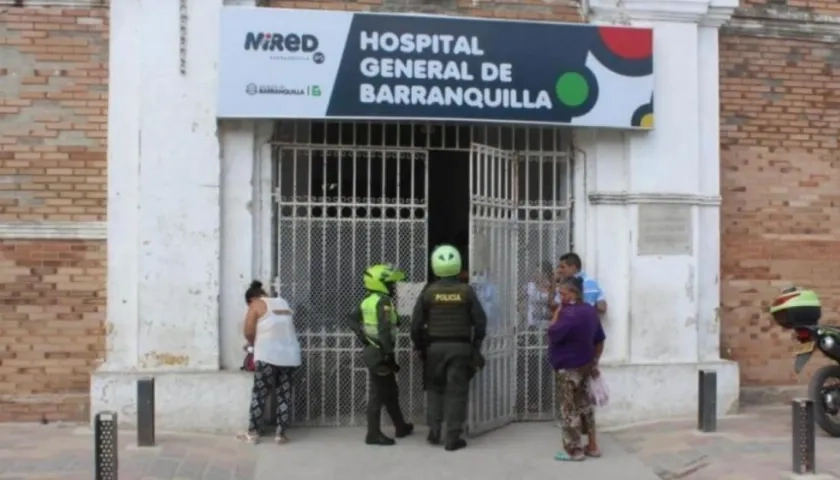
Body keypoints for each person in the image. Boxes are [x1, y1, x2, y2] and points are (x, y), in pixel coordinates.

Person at [411, 244, 487, 451]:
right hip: (460, 348)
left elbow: (416, 324)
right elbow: (480, 321)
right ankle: (453, 436)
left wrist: (420, 346)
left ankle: (434, 432)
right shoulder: (466, 291)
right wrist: (476, 344)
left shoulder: (428, 292)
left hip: (434, 348)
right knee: (456, 391)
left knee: (435, 389)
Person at [348, 264, 414, 446]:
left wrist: (363, 337)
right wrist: (389, 355)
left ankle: (401, 426)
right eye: (390, 283)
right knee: (378, 394)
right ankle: (373, 434)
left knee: (390, 392)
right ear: (380, 283)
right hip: (380, 353)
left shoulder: (368, 300)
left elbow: (352, 319)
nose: (393, 287)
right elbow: (384, 331)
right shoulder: (383, 302)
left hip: (374, 350)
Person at [237, 280, 302, 445]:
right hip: (290, 356)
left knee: (260, 394)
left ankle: (253, 433)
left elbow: (249, 330)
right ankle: (280, 434)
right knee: (284, 394)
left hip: (267, 356)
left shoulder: (256, 304)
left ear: (251, 299)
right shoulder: (283, 302)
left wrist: (252, 343)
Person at [548, 277, 605, 461]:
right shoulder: (590, 311)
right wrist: (595, 361)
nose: (560, 297)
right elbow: (599, 339)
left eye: (562, 293)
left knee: (569, 408)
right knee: (585, 406)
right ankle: (593, 446)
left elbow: (553, 332)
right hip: (586, 365)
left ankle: (574, 450)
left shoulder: (568, 313)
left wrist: (557, 312)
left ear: (573, 294)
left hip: (568, 368)